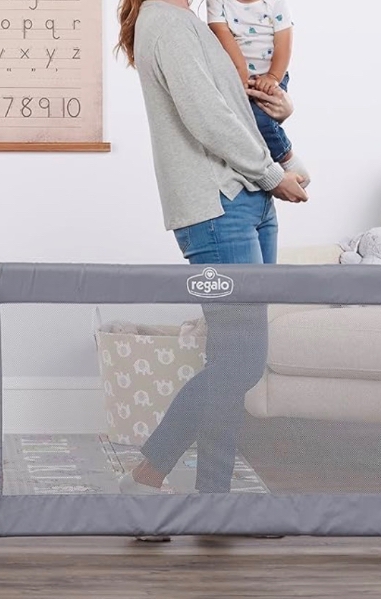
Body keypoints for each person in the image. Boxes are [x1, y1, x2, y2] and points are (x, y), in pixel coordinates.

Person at [116, 0, 308, 495]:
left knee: (231, 360)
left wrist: (283, 117)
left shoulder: (191, 23)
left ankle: (213, 500)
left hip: (249, 199)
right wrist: (273, 175)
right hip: (219, 208)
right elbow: (206, 118)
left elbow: (236, 109)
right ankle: (148, 472)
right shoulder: (166, 22)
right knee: (241, 361)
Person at [207, 0, 310, 187]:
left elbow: (284, 42)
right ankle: (255, 170)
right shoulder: (218, 2)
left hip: (271, 74)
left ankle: (286, 157)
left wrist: (273, 77)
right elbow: (220, 31)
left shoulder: (274, 3)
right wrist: (240, 73)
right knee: (236, 124)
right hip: (236, 77)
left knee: (261, 119)